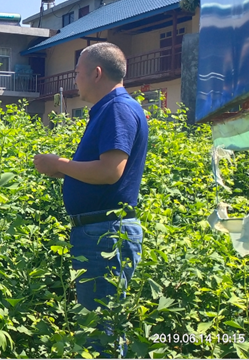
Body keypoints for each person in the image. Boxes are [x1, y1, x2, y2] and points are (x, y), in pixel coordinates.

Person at [33, 42, 148, 354]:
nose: (75, 81)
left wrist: (58, 164)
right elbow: (100, 170)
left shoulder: (117, 109)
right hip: (100, 233)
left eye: (78, 73)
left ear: (96, 73)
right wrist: (62, 171)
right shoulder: (110, 109)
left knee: (101, 334)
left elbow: (111, 171)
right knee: (100, 328)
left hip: (105, 236)